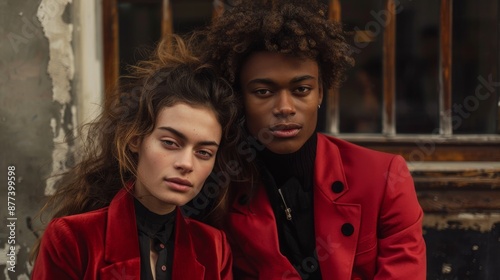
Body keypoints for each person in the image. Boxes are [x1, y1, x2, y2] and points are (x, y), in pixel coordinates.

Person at [197, 0, 427, 279]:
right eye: (263, 92)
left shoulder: (383, 178)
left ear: (320, 93)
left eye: (301, 89)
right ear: (239, 98)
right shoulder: (220, 188)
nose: (285, 107)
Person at [30, 36, 237, 280]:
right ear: (135, 139)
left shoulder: (214, 248)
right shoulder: (73, 239)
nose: (186, 164)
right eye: (170, 143)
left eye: (204, 153)